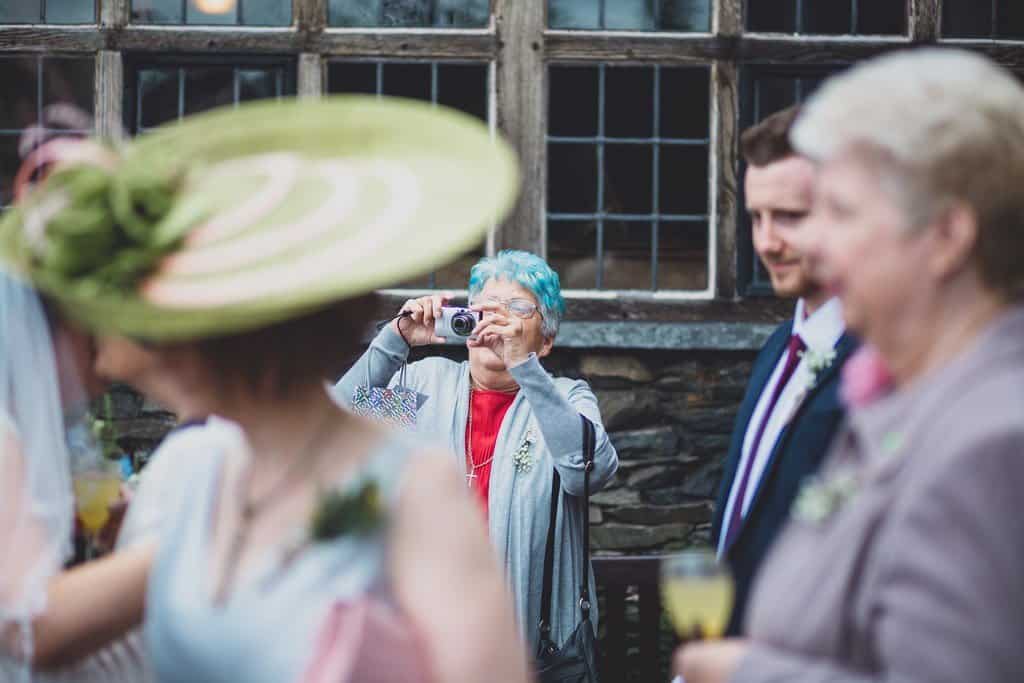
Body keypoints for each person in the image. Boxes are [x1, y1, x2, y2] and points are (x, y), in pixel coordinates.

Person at [0, 95, 530, 683]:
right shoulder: (427, 381)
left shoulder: (448, 463)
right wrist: (398, 340)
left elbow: (585, 457)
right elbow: (357, 400)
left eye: (508, 310)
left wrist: (526, 366)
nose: (139, 335)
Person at [678, 48, 1024, 683]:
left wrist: (747, 672)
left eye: (840, 214)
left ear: (947, 236)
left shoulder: (995, 442)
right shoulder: (910, 398)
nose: (809, 244)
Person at [334, 249, 619, 653]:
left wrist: (525, 368)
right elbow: (332, 423)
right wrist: (395, 339)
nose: (496, 319)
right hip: (430, 649)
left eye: (518, 308)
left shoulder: (564, 398)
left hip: (532, 655)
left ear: (546, 341)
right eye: (486, 307)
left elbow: (587, 471)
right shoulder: (422, 388)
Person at [711, 105, 857, 635]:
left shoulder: (885, 365)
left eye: (790, 217)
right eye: (756, 217)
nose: (767, 242)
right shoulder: (777, 349)